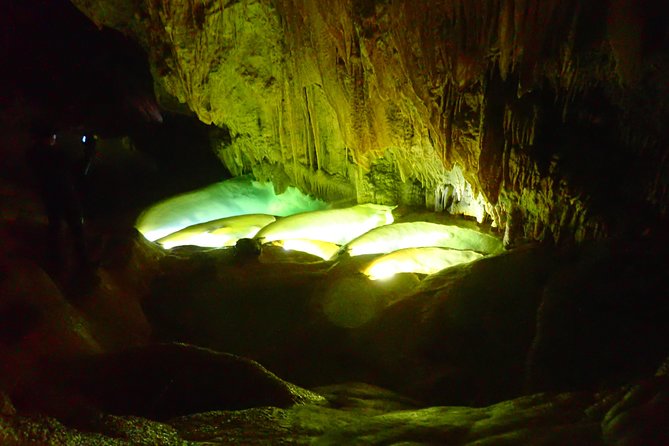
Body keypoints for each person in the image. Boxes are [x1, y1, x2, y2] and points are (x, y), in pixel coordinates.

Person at [27, 125, 93, 274]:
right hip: (65, 194)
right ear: (48, 137)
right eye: (53, 137)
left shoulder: (31, 154)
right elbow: (77, 171)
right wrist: (88, 154)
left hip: (48, 195)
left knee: (55, 227)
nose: (55, 139)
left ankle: (55, 263)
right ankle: (83, 265)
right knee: (76, 228)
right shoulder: (56, 154)